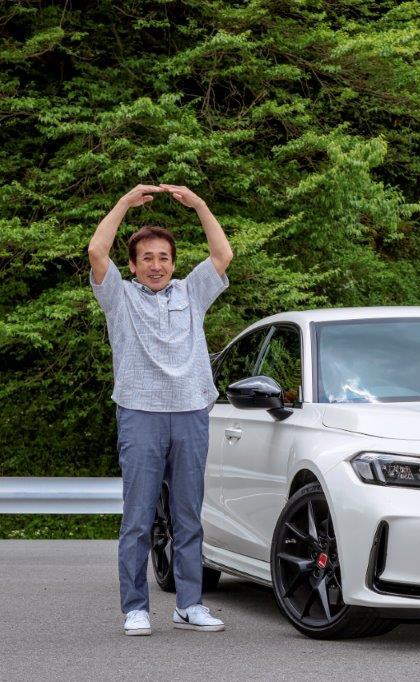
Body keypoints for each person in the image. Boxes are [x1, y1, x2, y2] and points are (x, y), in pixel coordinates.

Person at [88, 183, 232, 635]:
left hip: (191, 411)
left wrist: (200, 204)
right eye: (147, 258)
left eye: (164, 258)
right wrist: (124, 202)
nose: (156, 265)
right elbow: (96, 251)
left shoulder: (191, 293)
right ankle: (136, 607)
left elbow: (222, 255)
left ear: (173, 263)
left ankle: (189, 605)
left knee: (188, 515)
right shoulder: (119, 298)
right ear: (133, 266)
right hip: (140, 412)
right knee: (139, 517)